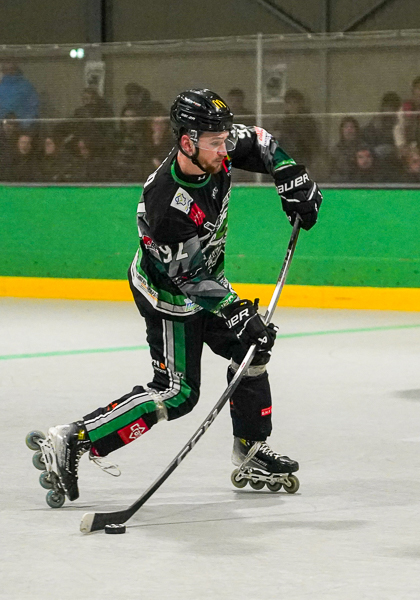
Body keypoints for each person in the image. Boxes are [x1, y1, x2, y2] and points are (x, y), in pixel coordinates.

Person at [31, 89, 323, 506]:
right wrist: (237, 312)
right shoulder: (167, 203)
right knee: (177, 393)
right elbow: (190, 278)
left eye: (224, 139)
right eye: (215, 142)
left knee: (251, 350)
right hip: (169, 295)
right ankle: (75, 438)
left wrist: (291, 177)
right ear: (187, 142)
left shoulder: (214, 148)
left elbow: (259, 142)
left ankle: (250, 449)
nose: (225, 149)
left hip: (205, 282)